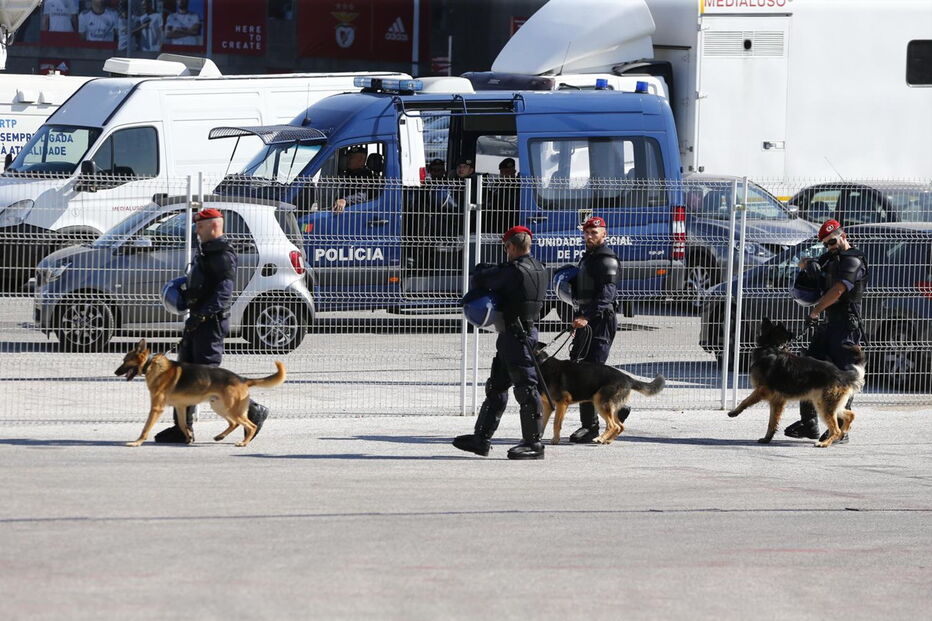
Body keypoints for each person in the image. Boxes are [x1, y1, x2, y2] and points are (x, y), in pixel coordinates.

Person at [154, 208, 270, 443]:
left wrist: (202, 316)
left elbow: (223, 294)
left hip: (211, 323)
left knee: (208, 378)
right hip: (197, 319)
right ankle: (182, 429)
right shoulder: (206, 252)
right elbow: (200, 284)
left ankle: (254, 411)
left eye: (200, 226)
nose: (197, 230)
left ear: (214, 227)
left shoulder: (222, 255)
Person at [453, 226, 548, 460]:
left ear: (511, 247)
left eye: (506, 248)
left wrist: (482, 271)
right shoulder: (540, 268)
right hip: (519, 334)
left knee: (526, 389)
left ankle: (534, 444)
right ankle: (481, 439)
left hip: (517, 337)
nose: (506, 252)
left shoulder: (514, 271)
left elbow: (483, 276)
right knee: (496, 387)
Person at [784, 219, 868, 444]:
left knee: (842, 378)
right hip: (828, 325)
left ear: (843, 235)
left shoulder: (853, 260)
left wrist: (815, 311)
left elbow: (839, 289)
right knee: (808, 368)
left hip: (846, 328)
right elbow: (805, 263)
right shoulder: (830, 257)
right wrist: (806, 265)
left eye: (832, 241)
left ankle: (841, 430)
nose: (830, 247)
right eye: (826, 244)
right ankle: (808, 423)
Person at [567, 216, 621, 444]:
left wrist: (586, 318)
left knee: (591, 373)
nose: (589, 236)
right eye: (587, 232)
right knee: (581, 369)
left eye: (594, 233)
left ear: (604, 234)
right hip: (588, 319)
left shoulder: (606, 259)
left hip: (600, 320)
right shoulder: (589, 257)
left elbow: (607, 296)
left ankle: (592, 426)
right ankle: (612, 412)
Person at [331, 146, 377, 213]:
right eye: (348, 157)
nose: (348, 160)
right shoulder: (350, 173)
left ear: (361, 159)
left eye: (351, 158)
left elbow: (362, 196)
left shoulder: (364, 176)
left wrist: (345, 200)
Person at [485, 157, 520, 233]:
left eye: (508, 172)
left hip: (513, 216)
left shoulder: (519, 184)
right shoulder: (497, 184)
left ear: (514, 171)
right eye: (503, 172)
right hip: (498, 217)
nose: (505, 175)